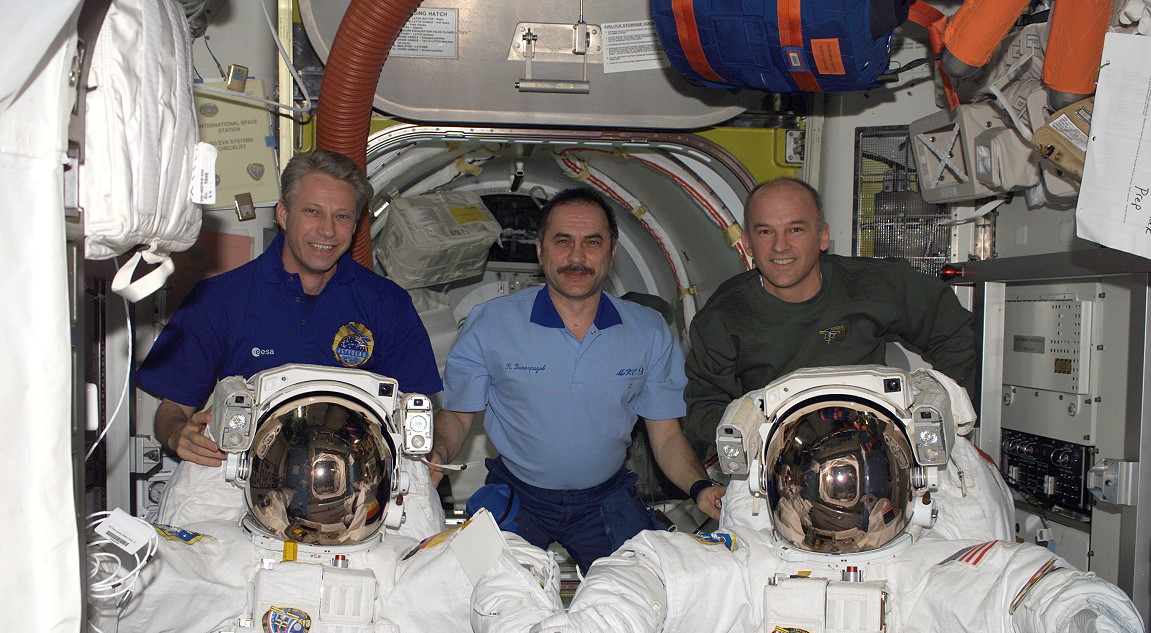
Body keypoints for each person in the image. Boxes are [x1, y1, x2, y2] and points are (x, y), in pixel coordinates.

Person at [515, 367, 1151, 633]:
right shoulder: (745, 570)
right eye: (816, 477)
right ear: (773, 482)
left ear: (907, 479)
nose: (838, 497)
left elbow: (1020, 598)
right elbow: (654, 576)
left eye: (856, 478)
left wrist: (1085, 616)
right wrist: (596, 632)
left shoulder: (935, 572)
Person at [87, 372, 561, 633]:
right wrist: (96, 576)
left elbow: (489, 563)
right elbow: (133, 580)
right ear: (255, 470)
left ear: (381, 479)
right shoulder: (216, 554)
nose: (320, 486)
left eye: (341, 470)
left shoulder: (399, 564)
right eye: (302, 467)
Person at [428, 187, 724, 572]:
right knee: (477, 588)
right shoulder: (490, 324)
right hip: (518, 495)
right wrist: (436, 455)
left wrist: (700, 487)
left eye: (592, 243)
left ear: (612, 252)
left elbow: (666, 436)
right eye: (563, 241)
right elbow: (457, 415)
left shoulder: (648, 331)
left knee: (648, 593)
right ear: (541, 250)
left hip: (605, 499)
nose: (577, 257)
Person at [136, 149, 442, 467]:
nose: (327, 231)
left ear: (355, 225)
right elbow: (173, 409)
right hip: (240, 472)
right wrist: (177, 434)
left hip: (354, 477)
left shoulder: (388, 304)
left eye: (342, 216)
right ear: (283, 214)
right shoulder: (219, 299)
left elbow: (416, 409)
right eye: (312, 211)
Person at [684, 177, 977, 458]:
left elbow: (954, 331)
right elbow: (706, 406)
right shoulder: (723, 316)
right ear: (748, 244)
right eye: (765, 232)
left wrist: (931, 413)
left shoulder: (873, 285)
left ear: (823, 237)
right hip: (777, 457)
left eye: (795, 229)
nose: (780, 246)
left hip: (877, 447)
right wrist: (762, 443)